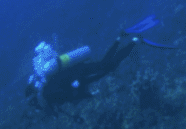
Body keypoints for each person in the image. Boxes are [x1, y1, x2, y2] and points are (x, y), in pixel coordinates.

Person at [25, 15, 173, 111]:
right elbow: (67, 90)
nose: (38, 107)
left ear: (35, 99)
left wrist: (88, 94)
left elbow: (69, 94)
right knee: (105, 64)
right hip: (76, 71)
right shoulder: (46, 88)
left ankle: (134, 41)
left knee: (108, 66)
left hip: (79, 75)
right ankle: (121, 38)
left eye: (35, 105)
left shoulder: (48, 95)